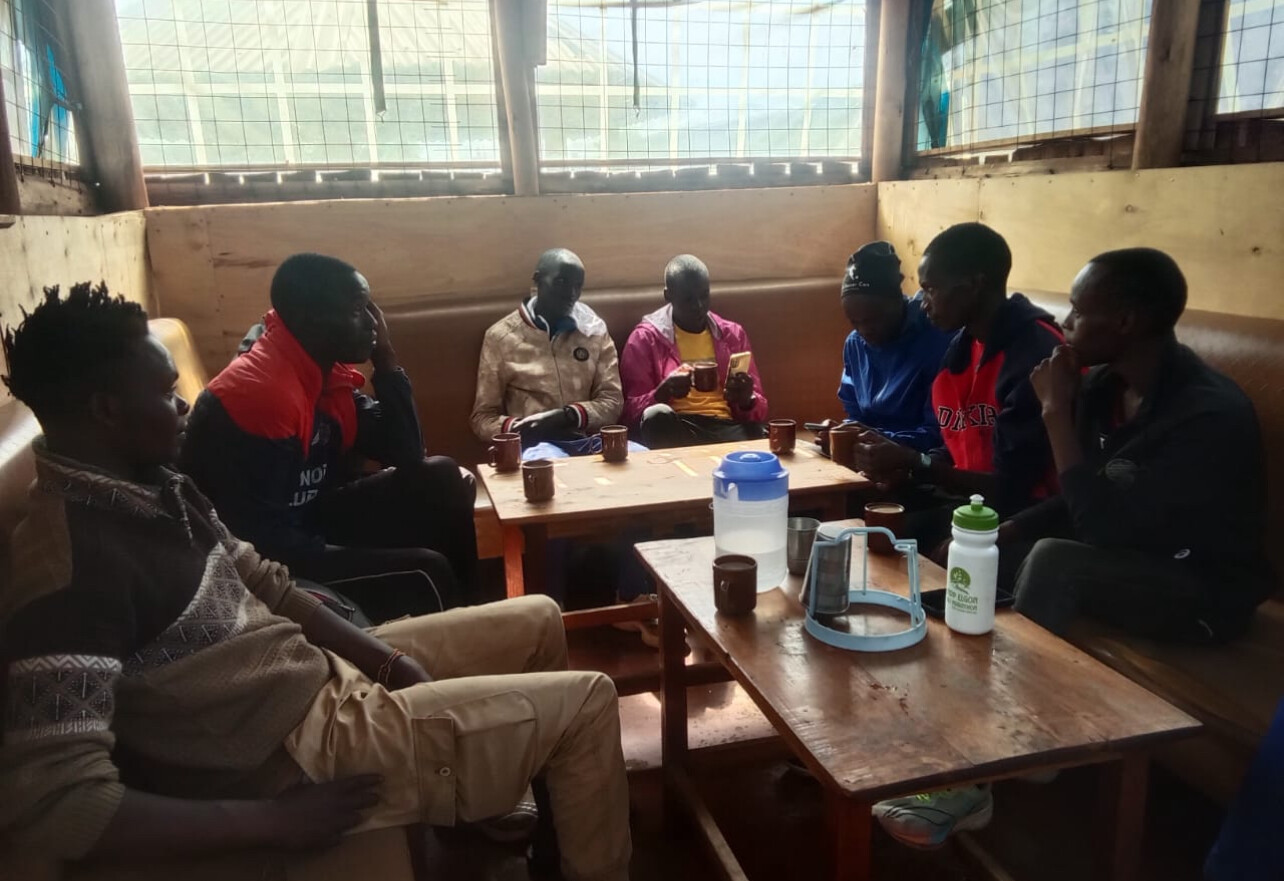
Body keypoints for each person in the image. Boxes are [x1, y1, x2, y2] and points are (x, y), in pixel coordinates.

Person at [0, 283, 632, 881]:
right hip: (301, 744)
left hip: (316, 673)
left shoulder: (157, 488)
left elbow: (269, 584)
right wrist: (270, 821)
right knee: (588, 702)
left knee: (539, 618)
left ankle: (538, 842)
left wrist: (385, 661)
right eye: (167, 394)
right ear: (107, 410)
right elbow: (59, 802)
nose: (184, 405)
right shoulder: (66, 571)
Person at [181, 253, 478, 623]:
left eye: (371, 309)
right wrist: (362, 556)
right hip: (260, 557)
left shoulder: (323, 372)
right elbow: (262, 542)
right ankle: (454, 639)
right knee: (427, 570)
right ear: (309, 319)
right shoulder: (264, 391)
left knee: (441, 478)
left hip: (307, 520)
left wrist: (386, 359)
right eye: (357, 310)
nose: (373, 322)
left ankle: (480, 620)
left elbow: (407, 453)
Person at [1006, 248, 1272, 642]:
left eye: (1078, 311)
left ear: (1125, 321)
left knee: (1053, 561)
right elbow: (1088, 493)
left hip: (1204, 590)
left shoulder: (1209, 415)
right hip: (1128, 558)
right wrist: (1009, 529)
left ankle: (1017, 678)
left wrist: (1055, 413)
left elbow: (1100, 530)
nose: (1066, 322)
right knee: (992, 547)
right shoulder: (1101, 386)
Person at [849, 223, 1063, 553]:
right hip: (971, 502)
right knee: (865, 520)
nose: (923, 303)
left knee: (895, 544)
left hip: (1027, 517)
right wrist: (906, 469)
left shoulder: (1034, 356)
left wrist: (917, 462)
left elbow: (1011, 489)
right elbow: (957, 445)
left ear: (973, 286)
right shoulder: (963, 347)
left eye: (931, 289)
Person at [471, 248, 629, 458]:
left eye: (578, 286)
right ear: (537, 280)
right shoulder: (501, 337)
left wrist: (568, 416)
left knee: (642, 459)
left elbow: (612, 402)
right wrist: (524, 428)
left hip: (590, 442)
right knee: (550, 465)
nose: (571, 294)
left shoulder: (593, 331)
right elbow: (483, 417)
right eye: (561, 282)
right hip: (536, 446)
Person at [619, 255, 768, 448]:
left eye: (704, 296)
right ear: (668, 295)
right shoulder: (645, 339)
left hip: (725, 425)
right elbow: (629, 414)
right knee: (656, 416)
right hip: (678, 427)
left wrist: (747, 399)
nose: (698, 306)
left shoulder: (732, 334)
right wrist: (661, 393)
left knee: (763, 433)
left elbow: (760, 409)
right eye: (688, 299)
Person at [828, 241, 950, 451]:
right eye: (854, 322)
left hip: (920, 459)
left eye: (873, 319)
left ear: (898, 301)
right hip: (872, 455)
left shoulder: (937, 341)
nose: (864, 330)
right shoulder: (855, 344)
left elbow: (941, 434)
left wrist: (880, 441)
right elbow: (855, 413)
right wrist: (843, 433)